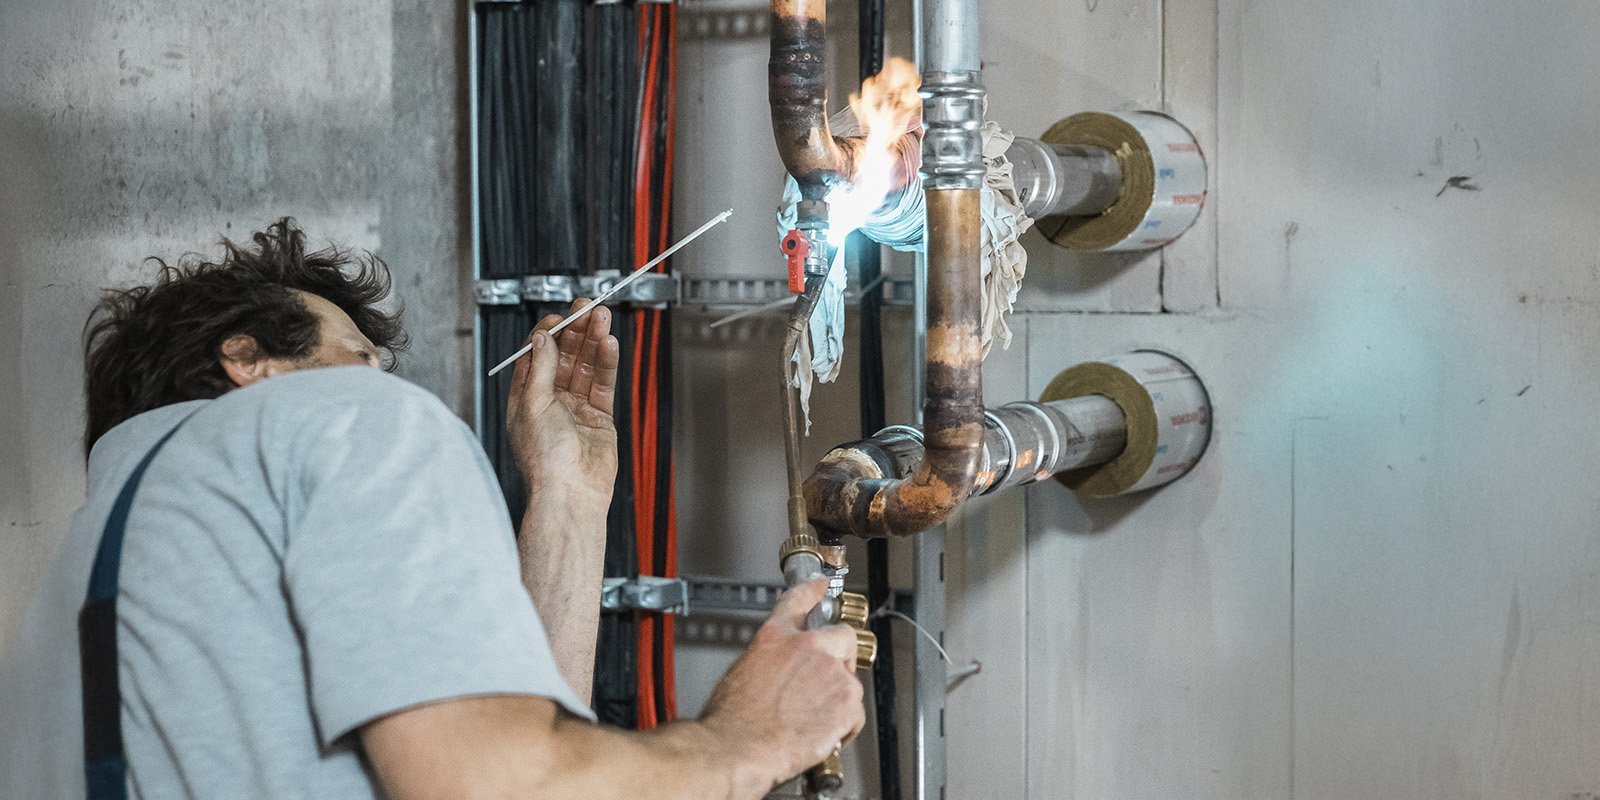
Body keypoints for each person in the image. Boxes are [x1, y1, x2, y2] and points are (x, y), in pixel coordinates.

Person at [0, 219, 865, 799]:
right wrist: (746, 739)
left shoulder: (81, 592)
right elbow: (498, 784)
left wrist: (564, 496)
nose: (384, 385)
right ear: (250, 361)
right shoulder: (335, 417)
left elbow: (504, 735)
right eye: (362, 357)